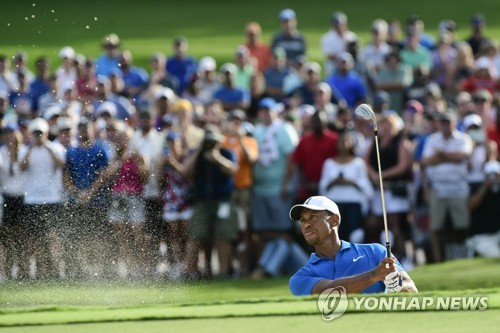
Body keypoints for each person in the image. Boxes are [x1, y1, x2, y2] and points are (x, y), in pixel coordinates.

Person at [288, 195, 417, 295]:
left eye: (313, 217)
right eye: (303, 220)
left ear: (334, 220)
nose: (306, 224)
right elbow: (330, 291)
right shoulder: (301, 278)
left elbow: (410, 288)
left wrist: (398, 287)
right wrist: (374, 275)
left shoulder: (375, 252)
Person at [421, 111, 473, 262]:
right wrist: (451, 157)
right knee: (436, 228)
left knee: (461, 225)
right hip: (437, 188)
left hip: (458, 187)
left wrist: (441, 155)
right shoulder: (432, 139)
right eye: (442, 122)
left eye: (447, 122)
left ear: (454, 123)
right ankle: (439, 260)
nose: (444, 125)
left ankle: (462, 257)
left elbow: (462, 156)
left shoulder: (464, 138)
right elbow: (425, 162)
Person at [319, 131, 374, 242]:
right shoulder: (329, 163)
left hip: (353, 204)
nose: (343, 144)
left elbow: (365, 186)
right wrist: (334, 182)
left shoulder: (358, 163)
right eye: (341, 141)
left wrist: (351, 182)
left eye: (346, 141)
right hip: (335, 204)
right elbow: (322, 186)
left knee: (355, 235)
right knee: (337, 235)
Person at [466, 160, 500, 258]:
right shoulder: (477, 188)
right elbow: (471, 206)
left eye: (496, 175)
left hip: (498, 234)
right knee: (495, 256)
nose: (493, 179)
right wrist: (485, 187)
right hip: (481, 237)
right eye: (490, 176)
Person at [320, 11, 357, 76]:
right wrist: (345, 55)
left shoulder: (352, 36)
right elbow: (329, 55)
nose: (339, 26)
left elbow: (356, 55)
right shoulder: (327, 38)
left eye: (341, 24)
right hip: (333, 68)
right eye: (337, 24)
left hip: (349, 68)